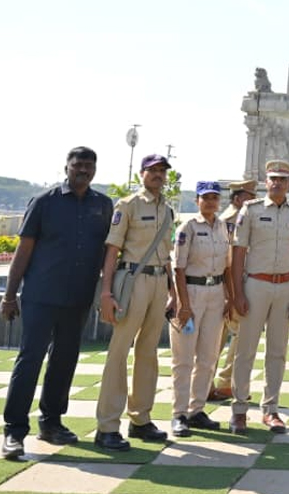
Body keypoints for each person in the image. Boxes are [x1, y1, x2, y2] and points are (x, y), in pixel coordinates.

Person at [0, 147, 113, 460]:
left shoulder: (102, 205)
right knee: (29, 361)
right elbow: (23, 251)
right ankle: (13, 430)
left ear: (95, 170)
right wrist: (10, 295)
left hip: (78, 299)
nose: (83, 170)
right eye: (78, 165)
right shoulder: (45, 202)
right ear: (67, 167)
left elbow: (108, 255)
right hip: (41, 295)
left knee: (64, 362)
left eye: (89, 166)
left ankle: (51, 423)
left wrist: (107, 292)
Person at [94, 153, 177, 451]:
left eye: (162, 171)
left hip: (158, 283)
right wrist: (106, 292)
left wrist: (174, 293)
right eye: (152, 170)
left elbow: (167, 255)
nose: (157, 175)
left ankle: (140, 418)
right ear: (141, 174)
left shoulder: (167, 210)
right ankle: (107, 426)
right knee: (119, 351)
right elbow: (112, 250)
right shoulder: (128, 205)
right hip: (132, 279)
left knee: (148, 352)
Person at [229, 159, 289, 434]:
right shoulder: (250, 210)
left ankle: (271, 409)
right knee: (245, 350)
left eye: (282, 179)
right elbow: (238, 252)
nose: (277, 183)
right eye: (273, 178)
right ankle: (239, 409)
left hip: (284, 285)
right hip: (256, 284)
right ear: (266, 182)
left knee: (277, 351)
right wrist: (237, 292)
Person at [169, 181, 233, 437]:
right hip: (192, 292)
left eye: (214, 198)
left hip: (216, 293)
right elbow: (178, 268)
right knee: (183, 358)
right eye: (205, 198)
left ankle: (197, 409)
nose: (210, 202)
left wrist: (229, 297)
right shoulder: (189, 227)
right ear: (197, 200)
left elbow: (227, 268)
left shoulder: (223, 228)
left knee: (208, 357)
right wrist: (183, 304)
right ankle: (179, 413)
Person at [209, 178, 257, 401]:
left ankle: (217, 383)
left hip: (241, 284)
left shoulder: (244, 219)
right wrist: (231, 292)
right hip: (227, 287)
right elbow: (226, 259)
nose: (254, 200)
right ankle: (222, 382)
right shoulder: (228, 221)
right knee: (223, 337)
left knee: (234, 336)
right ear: (238, 198)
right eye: (250, 195)